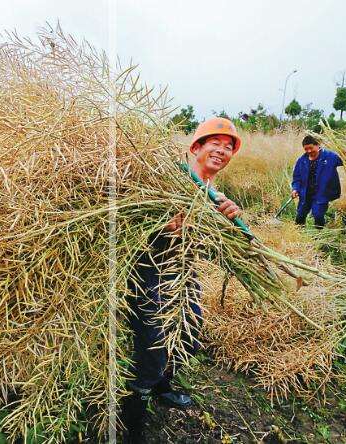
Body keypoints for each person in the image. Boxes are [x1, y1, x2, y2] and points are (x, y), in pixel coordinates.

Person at [122, 117, 242, 442]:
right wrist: (163, 227)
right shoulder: (168, 182)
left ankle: (163, 387)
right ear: (196, 148)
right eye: (215, 143)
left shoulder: (215, 197)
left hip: (184, 274)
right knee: (153, 346)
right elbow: (129, 226)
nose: (222, 150)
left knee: (187, 334)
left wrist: (230, 221)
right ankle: (132, 418)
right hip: (151, 272)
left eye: (229, 146)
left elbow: (220, 249)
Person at [291, 135, 343, 228]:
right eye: (306, 149)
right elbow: (297, 178)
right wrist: (295, 189)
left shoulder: (330, 157)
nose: (309, 151)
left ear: (318, 145)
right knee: (300, 215)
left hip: (321, 194)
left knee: (318, 215)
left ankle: (319, 236)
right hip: (305, 194)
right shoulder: (301, 161)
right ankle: (298, 235)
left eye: (311, 148)